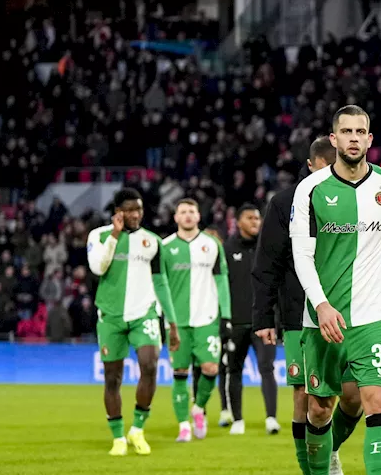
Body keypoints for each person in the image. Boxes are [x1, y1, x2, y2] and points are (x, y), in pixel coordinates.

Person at [290, 105, 381, 475]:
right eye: (346, 131)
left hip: (372, 314)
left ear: (370, 139)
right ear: (334, 138)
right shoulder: (311, 189)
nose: (354, 138)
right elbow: (301, 255)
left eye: (361, 131)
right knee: (320, 408)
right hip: (322, 317)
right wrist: (320, 304)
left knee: (375, 399)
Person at [253, 136, 354, 475]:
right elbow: (268, 263)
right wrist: (264, 317)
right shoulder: (285, 203)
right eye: (326, 166)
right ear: (312, 165)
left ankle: (328, 449)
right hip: (299, 313)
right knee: (304, 395)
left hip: (354, 311)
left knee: (354, 397)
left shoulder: (360, 196)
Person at [87, 188, 180, 456]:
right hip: (111, 316)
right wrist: (115, 235)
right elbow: (98, 268)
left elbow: (161, 283)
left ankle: (137, 429)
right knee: (112, 378)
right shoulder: (99, 236)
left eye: (138, 209)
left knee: (149, 366)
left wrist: (172, 323)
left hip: (145, 314)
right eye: (129, 209)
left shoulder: (152, 241)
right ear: (117, 212)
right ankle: (118, 437)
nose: (135, 214)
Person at [160, 198, 229, 443]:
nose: (187, 215)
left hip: (207, 318)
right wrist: (164, 319)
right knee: (179, 372)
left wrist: (226, 316)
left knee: (211, 368)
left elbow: (222, 281)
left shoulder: (212, 244)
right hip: (177, 322)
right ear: (176, 217)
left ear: (198, 216)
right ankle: (183, 426)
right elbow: (160, 285)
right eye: (182, 212)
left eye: (192, 211)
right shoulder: (165, 247)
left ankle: (198, 408)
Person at [220, 204, 279, 435]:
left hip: (264, 323)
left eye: (257, 218)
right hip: (236, 323)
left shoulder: (267, 248)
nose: (256, 221)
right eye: (250, 218)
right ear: (238, 221)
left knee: (267, 368)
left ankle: (271, 418)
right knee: (233, 370)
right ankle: (237, 420)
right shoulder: (226, 249)